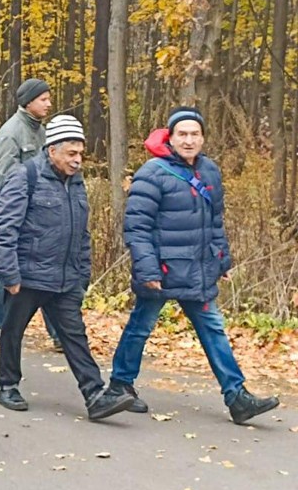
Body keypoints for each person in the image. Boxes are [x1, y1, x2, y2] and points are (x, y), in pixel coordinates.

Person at [104, 107, 280, 424]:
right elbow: (137, 228)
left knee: (213, 330)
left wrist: (222, 259)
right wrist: (147, 270)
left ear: (203, 137)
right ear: (170, 137)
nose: (188, 140)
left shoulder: (209, 171)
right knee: (140, 327)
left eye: (194, 134)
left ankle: (237, 397)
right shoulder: (152, 173)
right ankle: (120, 385)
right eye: (182, 134)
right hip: (163, 269)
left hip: (197, 269)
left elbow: (215, 222)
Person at [0, 115, 134, 420]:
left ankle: (95, 394)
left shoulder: (77, 184)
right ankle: (7, 385)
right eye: (71, 153)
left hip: (65, 278)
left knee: (74, 335)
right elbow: (4, 228)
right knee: (13, 331)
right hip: (28, 275)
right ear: (52, 150)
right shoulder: (24, 176)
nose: (77, 160)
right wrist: (9, 274)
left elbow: (81, 232)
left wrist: (83, 274)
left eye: (80, 154)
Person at [0, 77, 62, 349]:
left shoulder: (42, 131)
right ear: (28, 101)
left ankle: (59, 333)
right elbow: (8, 178)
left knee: (44, 270)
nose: (49, 103)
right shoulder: (11, 132)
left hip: (39, 212)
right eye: (43, 99)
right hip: (14, 213)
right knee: (7, 269)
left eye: (49, 98)